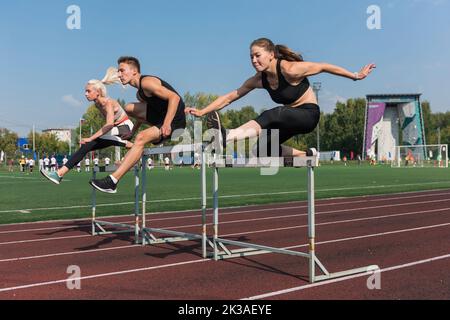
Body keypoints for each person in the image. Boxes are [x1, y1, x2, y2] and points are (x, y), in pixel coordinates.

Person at [186, 38, 375, 158]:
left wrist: (355, 75)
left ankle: (227, 136)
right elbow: (230, 97)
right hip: (287, 119)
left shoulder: (290, 69)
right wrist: (203, 111)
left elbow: (324, 66)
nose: (253, 60)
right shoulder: (259, 80)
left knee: (275, 113)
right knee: (261, 150)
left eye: (257, 55)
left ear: (271, 55)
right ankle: (308, 154)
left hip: (308, 116)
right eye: (251, 57)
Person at [90, 56, 186, 193]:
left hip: (176, 121)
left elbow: (175, 98)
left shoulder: (147, 83)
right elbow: (142, 116)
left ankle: (112, 181)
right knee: (129, 108)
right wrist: (132, 132)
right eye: (118, 71)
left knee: (141, 138)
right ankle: (155, 135)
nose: (119, 75)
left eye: (122, 71)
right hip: (162, 118)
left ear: (134, 71)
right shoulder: (140, 94)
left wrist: (166, 124)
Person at [40, 69, 134, 185]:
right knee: (86, 146)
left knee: (95, 138)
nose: (85, 94)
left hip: (126, 128)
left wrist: (91, 137)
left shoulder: (108, 103)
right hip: (114, 132)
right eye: (85, 91)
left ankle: (130, 145)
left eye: (88, 91)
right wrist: (91, 140)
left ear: (98, 92)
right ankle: (59, 174)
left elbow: (109, 124)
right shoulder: (97, 104)